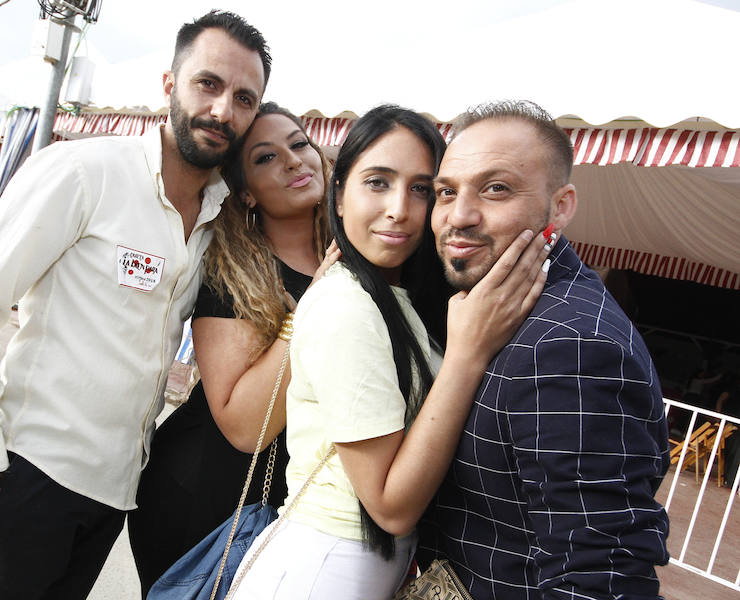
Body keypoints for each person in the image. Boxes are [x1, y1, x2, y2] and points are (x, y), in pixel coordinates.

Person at [0, 10, 270, 599]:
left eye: (244, 98)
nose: (223, 110)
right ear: (170, 85)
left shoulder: (221, 220)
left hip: (114, 492)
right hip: (27, 474)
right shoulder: (85, 172)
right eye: (208, 84)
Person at [231, 104, 553, 599]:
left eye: (422, 189)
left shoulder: (395, 299)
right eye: (377, 182)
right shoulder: (346, 306)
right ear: (339, 196)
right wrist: (467, 356)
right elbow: (389, 505)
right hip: (322, 570)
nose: (400, 208)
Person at [417, 100, 671, 599]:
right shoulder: (494, 308)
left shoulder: (569, 345)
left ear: (562, 205)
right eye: (446, 192)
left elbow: (599, 578)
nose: (460, 216)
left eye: (496, 188)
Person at [129, 101, 337, 593]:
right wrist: (314, 305)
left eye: (299, 143)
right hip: (208, 500)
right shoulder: (233, 274)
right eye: (266, 157)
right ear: (244, 193)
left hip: (309, 504)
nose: (293, 161)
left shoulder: (359, 254)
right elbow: (246, 426)